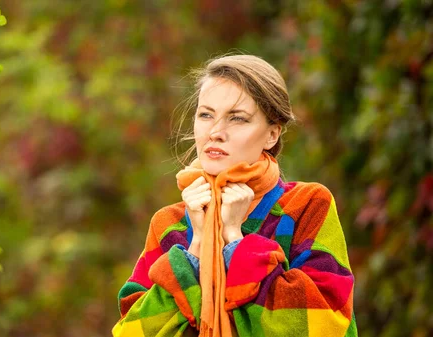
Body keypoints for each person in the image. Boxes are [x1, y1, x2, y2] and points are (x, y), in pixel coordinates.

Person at [112, 55, 357, 337]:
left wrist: (235, 240)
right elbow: (132, 331)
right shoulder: (169, 224)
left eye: (237, 118)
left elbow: (322, 326)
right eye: (206, 115)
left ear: (272, 134)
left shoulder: (306, 205)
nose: (215, 132)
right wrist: (197, 247)